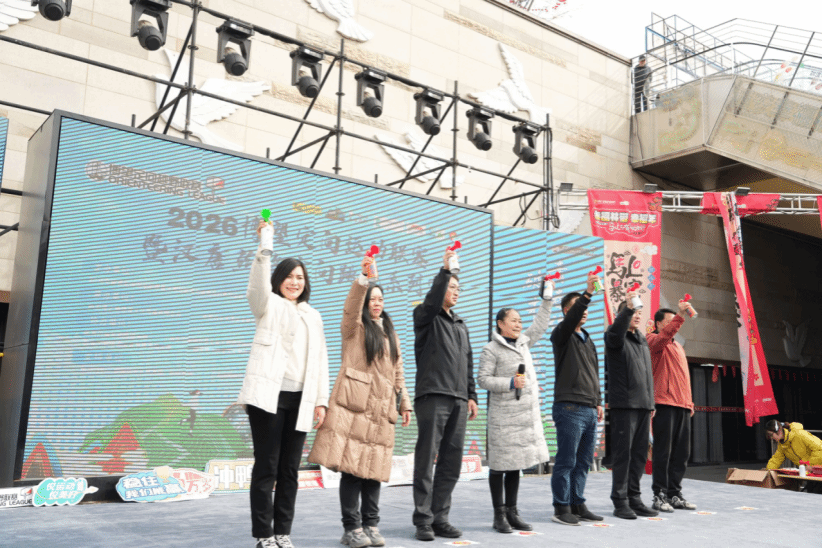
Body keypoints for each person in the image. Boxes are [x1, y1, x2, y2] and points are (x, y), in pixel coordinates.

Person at [237, 220, 330, 549]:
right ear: (279, 280)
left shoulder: (313, 315)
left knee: (290, 470)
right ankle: (264, 534)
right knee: (267, 466)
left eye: (300, 277)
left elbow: (321, 361)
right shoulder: (268, 304)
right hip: (268, 397)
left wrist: (321, 401)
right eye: (289, 276)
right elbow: (256, 287)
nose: (295, 282)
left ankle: (282, 532)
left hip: (301, 400)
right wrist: (265, 246)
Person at [309, 256, 413, 548]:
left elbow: (398, 370)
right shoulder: (354, 328)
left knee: (374, 472)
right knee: (353, 470)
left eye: (380, 299)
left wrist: (404, 403)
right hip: (355, 407)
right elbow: (351, 307)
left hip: (382, 410)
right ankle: (352, 528)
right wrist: (363, 280)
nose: (376, 303)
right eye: (372, 299)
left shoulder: (390, 332)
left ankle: (371, 524)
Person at [412, 247, 479, 542]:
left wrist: (471, 395)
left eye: (458, 288)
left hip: (459, 400)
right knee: (426, 460)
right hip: (433, 395)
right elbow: (431, 299)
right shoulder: (425, 315)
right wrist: (446, 271)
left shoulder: (461, 325)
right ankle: (423, 520)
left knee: (451, 462)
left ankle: (440, 517)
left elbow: (468, 362)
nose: (456, 291)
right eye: (451, 287)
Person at [477, 281, 554, 534]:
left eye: (520, 321)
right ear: (500, 324)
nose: (519, 324)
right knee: (499, 466)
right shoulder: (491, 349)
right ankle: (498, 515)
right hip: (503, 418)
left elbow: (540, 325)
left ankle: (513, 512)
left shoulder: (523, 343)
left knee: (515, 465)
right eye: (514, 320)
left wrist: (547, 300)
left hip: (523, 418)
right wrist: (510, 383)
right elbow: (483, 380)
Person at [549, 272, 605, 526]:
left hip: (589, 409)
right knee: (567, 461)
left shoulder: (588, 338)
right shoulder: (561, 334)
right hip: (569, 407)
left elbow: (594, 371)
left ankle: (577, 503)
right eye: (577, 308)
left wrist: (598, 401)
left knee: (583, 461)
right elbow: (572, 318)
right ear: (566, 311)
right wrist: (588, 294)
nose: (584, 312)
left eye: (585, 308)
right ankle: (561, 507)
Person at [605, 292, 657, 520]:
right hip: (625, 405)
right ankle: (620, 502)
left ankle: (634, 498)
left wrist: (651, 401)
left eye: (638, 312)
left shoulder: (642, 340)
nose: (637, 315)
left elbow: (647, 374)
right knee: (623, 455)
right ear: (622, 315)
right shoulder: (614, 336)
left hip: (644, 405)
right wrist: (627, 308)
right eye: (632, 312)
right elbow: (616, 331)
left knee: (639, 456)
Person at [647, 303, 697, 512]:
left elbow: (684, 378)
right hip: (664, 403)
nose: (674, 326)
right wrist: (681, 315)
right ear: (659, 324)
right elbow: (665, 336)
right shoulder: (653, 340)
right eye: (669, 322)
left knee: (681, 453)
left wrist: (689, 403)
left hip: (682, 405)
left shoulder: (678, 347)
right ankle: (659, 494)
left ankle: (674, 493)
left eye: (674, 321)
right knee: (663, 452)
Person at [766, 420, 822, 494]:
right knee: (812, 493)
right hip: (811, 472)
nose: (771, 438)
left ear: (778, 431)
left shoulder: (799, 434)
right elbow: (776, 459)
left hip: (818, 469)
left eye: (771, 435)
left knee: (816, 493)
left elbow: (820, 448)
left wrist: (810, 464)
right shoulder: (782, 444)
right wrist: (767, 471)